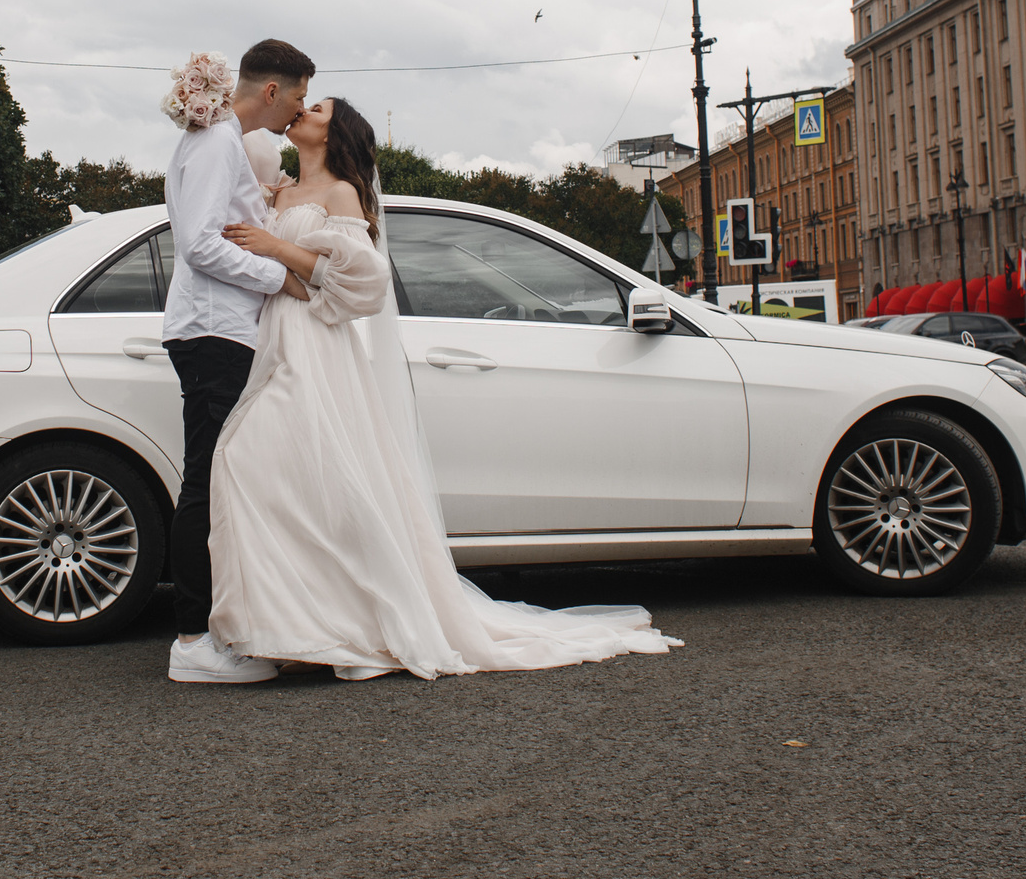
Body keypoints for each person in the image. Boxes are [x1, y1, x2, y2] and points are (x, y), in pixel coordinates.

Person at [208, 96, 679, 682]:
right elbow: (280, 266)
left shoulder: (342, 194)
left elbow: (360, 287)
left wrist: (278, 247)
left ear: (336, 134)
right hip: (275, 339)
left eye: (319, 109)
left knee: (288, 470)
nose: (304, 110)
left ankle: (335, 624)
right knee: (279, 477)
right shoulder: (279, 192)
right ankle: (298, 623)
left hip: (316, 349)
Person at [160, 40, 315, 685]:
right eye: (298, 97)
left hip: (218, 329)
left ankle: (213, 629)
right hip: (212, 330)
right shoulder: (218, 143)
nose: (299, 111)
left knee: (218, 479)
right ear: (271, 91)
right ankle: (193, 641)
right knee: (205, 482)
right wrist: (279, 277)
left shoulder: (221, 142)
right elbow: (199, 245)